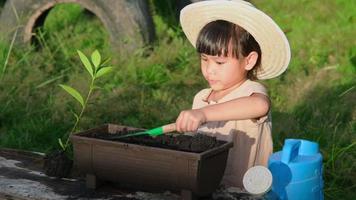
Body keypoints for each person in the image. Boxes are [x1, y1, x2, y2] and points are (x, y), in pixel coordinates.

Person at [177, 0, 291, 189]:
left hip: (244, 191)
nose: (209, 70)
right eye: (204, 60)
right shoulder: (201, 98)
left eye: (219, 63)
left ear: (249, 61)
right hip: (208, 187)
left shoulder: (251, 92)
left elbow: (259, 106)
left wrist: (204, 114)